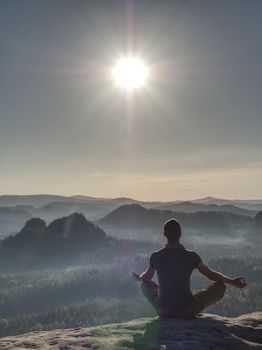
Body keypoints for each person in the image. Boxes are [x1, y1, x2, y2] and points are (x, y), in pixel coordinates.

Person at [133, 218, 248, 318]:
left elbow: (147, 277)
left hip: (163, 311)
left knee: (144, 284)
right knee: (220, 286)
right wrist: (232, 282)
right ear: (180, 234)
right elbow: (211, 274)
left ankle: (165, 298)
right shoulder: (191, 256)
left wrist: (139, 278)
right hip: (187, 310)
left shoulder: (156, 256)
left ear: (164, 234)